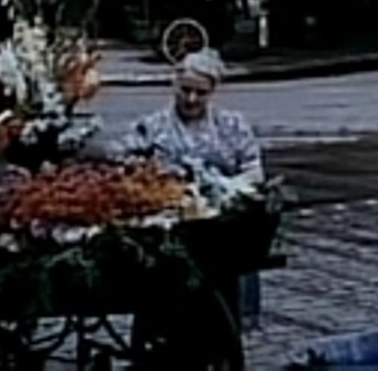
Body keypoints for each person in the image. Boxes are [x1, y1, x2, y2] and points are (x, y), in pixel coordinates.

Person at [108, 49, 266, 330]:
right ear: (174, 86)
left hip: (219, 225)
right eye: (186, 90)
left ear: (213, 91)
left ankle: (233, 317)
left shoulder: (231, 125)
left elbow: (254, 170)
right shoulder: (152, 127)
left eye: (200, 93)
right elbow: (120, 163)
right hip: (168, 228)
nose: (191, 99)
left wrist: (231, 189)